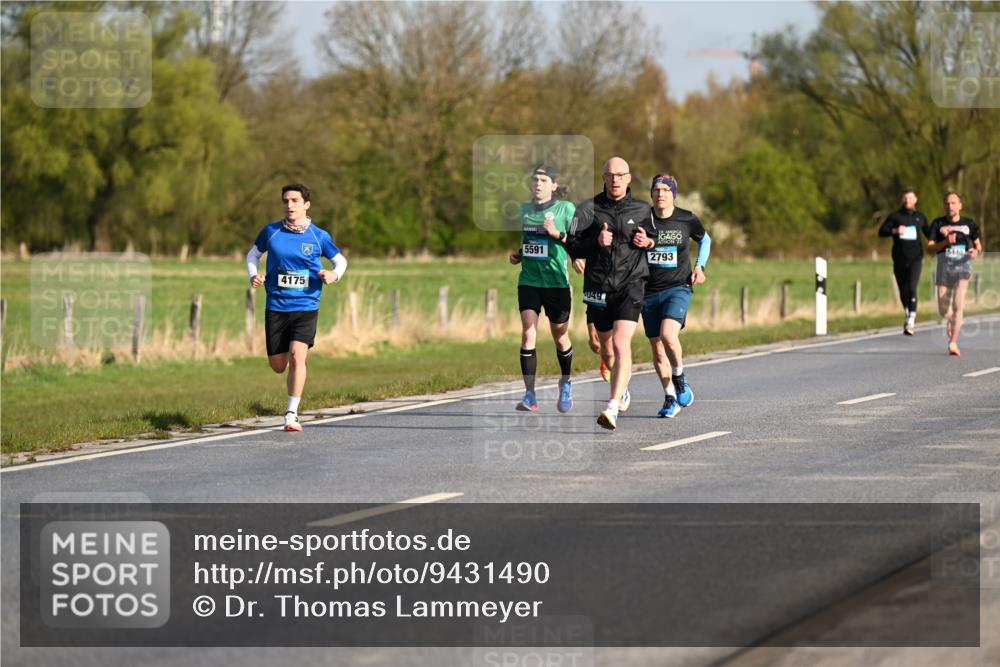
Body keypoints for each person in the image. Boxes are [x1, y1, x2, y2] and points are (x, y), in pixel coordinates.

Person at [246, 184, 347, 431]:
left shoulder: (318, 236)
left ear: (306, 204)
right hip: (276, 306)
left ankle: (292, 414)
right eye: (286, 201)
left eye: (294, 201)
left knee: (297, 356)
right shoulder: (271, 231)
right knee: (279, 365)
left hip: (306, 305)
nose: (289, 205)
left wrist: (334, 275)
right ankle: (290, 389)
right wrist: (253, 275)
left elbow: (340, 260)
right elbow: (252, 255)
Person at [566, 157, 653, 431]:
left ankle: (612, 406)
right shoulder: (587, 209)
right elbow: (572, 244)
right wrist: (595, 242)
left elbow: (655, 238)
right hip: (598, 286)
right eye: (610, 175)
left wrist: (647, 241)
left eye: (620, 174)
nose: (615, 179)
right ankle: (622, 388)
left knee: (620, 343)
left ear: (628, 178)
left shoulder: (642, 209)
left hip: (631, 285)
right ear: (603, 178)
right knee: (605, 349)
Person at [636, 174, 711, 418]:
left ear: (673, 194)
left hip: (678, 287)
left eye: (666, 190)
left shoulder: (686, 218)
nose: (661, 194)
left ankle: (679, 376)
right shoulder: (641, 219)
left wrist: (699, 267)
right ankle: (670, 397)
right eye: (656, 189)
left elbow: (705, 239)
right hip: (648, 291)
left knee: (668, 335)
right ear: (651, 194)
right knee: (656, 348)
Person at [509, 165, 576, 412]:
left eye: (543, 179)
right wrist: (519, 254)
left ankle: (566, 382)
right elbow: (528, 241)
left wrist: (557, 234)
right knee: (528, 332)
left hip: (557, 283)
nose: (538, 183)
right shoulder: (524, 210)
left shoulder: (566, 209)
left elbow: (577, 242)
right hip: (529, 280)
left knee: (560, 336)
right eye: (535, 179)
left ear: (554, 185)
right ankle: (530, 395)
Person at [926, 191, 982, 356]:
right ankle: (950, 320)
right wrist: (944, 242)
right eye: (947, 203)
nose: (950, 206)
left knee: (959, 304)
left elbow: (978, 246)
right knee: (943, 310)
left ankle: (953, 342)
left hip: (962, 268)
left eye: (953, 203)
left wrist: (975, 251)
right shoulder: (937, 224)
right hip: (944, 268)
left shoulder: (970, 224)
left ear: (960, 205)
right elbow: (930, 248)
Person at [878, 188, 930, 335]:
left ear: (915, 200)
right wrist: (894, 231)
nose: (907, 201)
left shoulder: (920, 217)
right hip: (899, 258)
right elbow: (881, 232)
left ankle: (911, 320)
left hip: (916, 258)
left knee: (912, 286)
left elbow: (930, 234)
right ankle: (907, 313)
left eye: (910, 198)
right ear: (903, 200)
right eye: (905, 198)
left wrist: (943, 241)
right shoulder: (895, 216)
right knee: (903, 290)